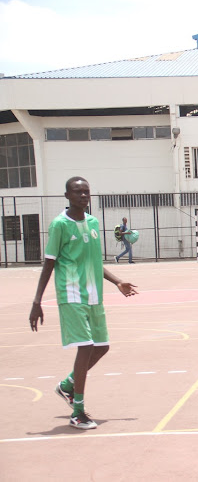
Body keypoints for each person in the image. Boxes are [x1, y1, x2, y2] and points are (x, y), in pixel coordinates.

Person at [29, 176, 138, 430]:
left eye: (87, 192)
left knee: (102, 346)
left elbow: (94, 262)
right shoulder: (59, 225)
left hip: (93, 295)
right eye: (78, 192)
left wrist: (117, 282)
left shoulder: (92, 222)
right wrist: (37, 301)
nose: (83, 196)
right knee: (86, 345)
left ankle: (67, 386)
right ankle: (77, 412)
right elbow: (49, 263)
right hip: (71, 294)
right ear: (67, 196)